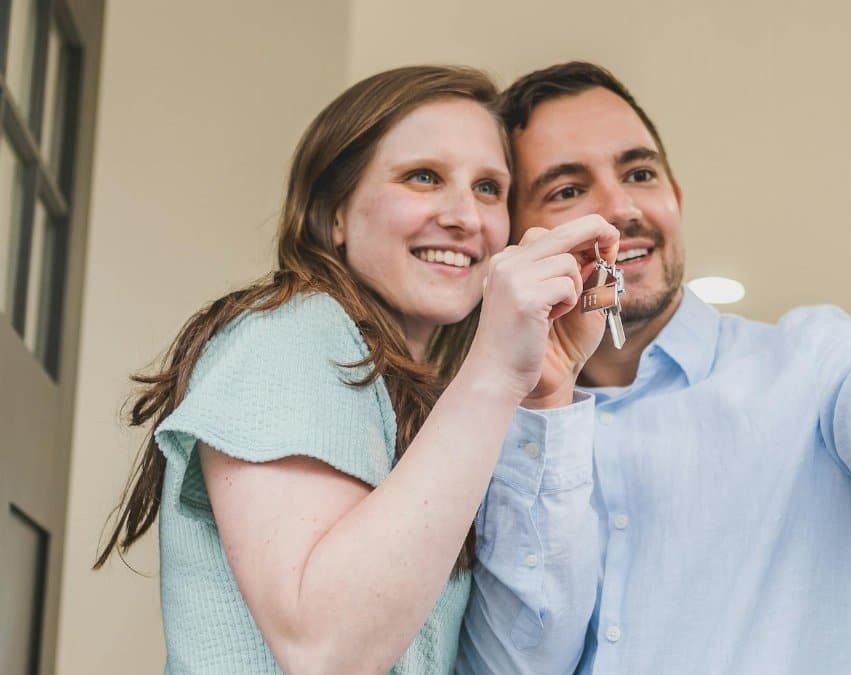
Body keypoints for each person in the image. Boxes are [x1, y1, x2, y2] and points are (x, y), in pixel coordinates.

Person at [459, 35, 851, 674]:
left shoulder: (816, 365)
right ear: (518, 239)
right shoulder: (485, 437)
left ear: (676, 198)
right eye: (568, 189)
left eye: (639, 173)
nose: (622, 208)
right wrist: (544, 405)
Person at [94, 65, 619, 674]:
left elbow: (516, 661)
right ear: (334, 212)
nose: (464, 217)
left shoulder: (434, 407)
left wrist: (545, 387)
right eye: (423, 177)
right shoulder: (291, 331)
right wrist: (496, 371)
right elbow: (326, 650)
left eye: (487, 189)